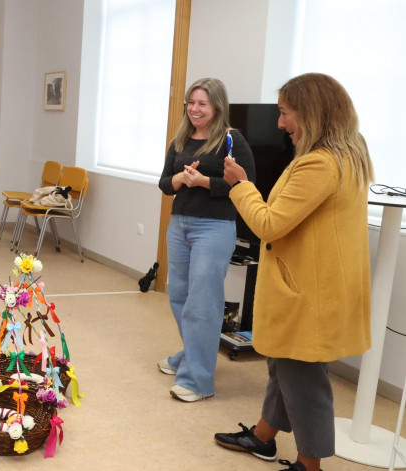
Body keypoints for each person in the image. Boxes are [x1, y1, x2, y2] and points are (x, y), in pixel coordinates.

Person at [214, 73, 373, 471]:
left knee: (303, 380)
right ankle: (264, 437)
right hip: (314, 284)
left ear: (312, 113)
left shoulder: (320, 164)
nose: (281, 123)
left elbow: (268, 224)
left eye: (285, 113)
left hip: (308, 291)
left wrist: (241, 184)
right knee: (282, 363)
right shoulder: (348, 155)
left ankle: (309, 463)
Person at [156, 78, 256, 402]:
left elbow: (245, 184)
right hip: (180, 224)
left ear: (217, 106)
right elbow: (164, 183)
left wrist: (202, 182)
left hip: (214, 227)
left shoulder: (231, 140)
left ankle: (198, 380)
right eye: (191, 102)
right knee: (180, 297)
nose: (195, 109)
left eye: (203, 103)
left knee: (203, 303)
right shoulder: (180, 139)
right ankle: (192, 356)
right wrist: (181, 179)